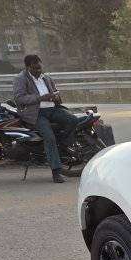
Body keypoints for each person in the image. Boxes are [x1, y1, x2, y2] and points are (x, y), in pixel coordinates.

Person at [13, 54, 78, 183]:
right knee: (49, 137)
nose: (38, 71)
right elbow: (19, 98)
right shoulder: (21, 79)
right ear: (27, 67)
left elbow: (55, 91)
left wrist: (56, 97)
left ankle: (63, 144)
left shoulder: (46, 77)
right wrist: (40, 98)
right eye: (35, 69)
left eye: (39, 68)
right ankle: (56, 172)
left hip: (52, 109)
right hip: (36, 113)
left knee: (73, 120)